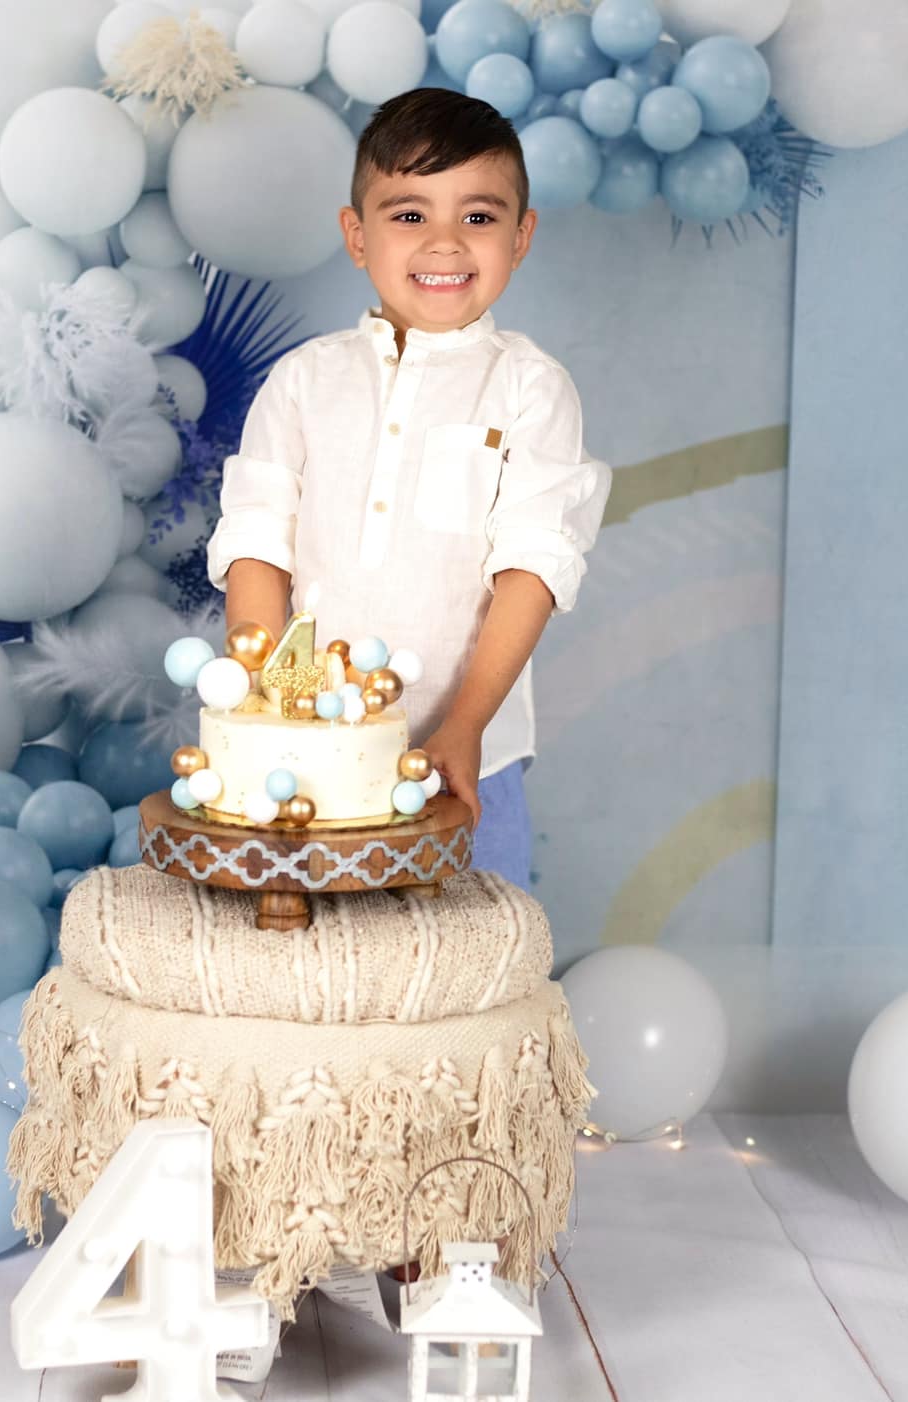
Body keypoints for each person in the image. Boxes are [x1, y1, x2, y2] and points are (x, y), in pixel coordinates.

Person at [205, 88, 609, 893]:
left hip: (465, 760)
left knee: (471, 970)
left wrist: (463, 727)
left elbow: (534, 567)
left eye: (480, 217)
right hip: (310, 763)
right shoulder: (304, 381)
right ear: (357, 235)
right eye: (410, 215)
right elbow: (256, 540)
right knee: (316, 968)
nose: (447, 243)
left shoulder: (530, 388)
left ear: (521, 237)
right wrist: (270, 718)